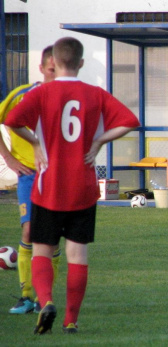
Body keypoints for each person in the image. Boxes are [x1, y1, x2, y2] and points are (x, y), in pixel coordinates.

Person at [5, 37, 140, 334]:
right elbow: (130, 120)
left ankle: (47, 301)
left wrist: (36, 141)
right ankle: (71, 320)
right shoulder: (94, 93)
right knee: (77, 255)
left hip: (48, 184)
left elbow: (12, 120)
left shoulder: (41, 93)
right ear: (80, 63)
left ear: (53, 61)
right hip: (83, 184)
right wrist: (99, 139)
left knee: (42, 250)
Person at [0, 45, 63, 315]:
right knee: (29, 232)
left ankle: (43, 299)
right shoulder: (21, 95)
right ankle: (26, 296)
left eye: (60, 70)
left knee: (52, 239)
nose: (56, 75)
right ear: (41, 69)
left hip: (59, 176)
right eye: (52, 70)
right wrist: (10, 160)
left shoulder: (68, 98)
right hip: (29, 175)